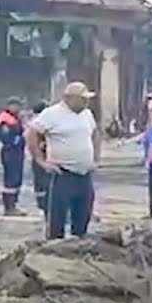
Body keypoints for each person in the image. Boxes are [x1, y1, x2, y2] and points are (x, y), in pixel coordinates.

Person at [26, 82, 101, 239]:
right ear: (69, 99)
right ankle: (53, 249)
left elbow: (95, 133)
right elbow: (31, 134)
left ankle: (78, 245)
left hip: (84, 173)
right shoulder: (52, 114)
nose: (86, 102)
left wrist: (95, 158)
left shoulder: (87, 114)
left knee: (83, 214)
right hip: (62, 173)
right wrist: (41, 161)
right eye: (82, 99)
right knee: (57, 218)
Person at [0, 97, 27, 216]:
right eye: (16, 105)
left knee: (16, 179)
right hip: (10, 152)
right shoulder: (5, 118)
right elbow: (4, 136)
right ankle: (9, 207)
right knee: (11, 180)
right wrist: (14, 142)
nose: (18, 108)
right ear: (9, 106)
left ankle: (14, 205)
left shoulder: (15, 118)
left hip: (17, 152)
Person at [27, 101, 51, 216]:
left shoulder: (34, 122)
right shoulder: (40, 122)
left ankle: (44, 204)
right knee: (44, 181)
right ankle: (45, 205)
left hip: (38, 155)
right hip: (43, 154)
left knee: (40, 182)